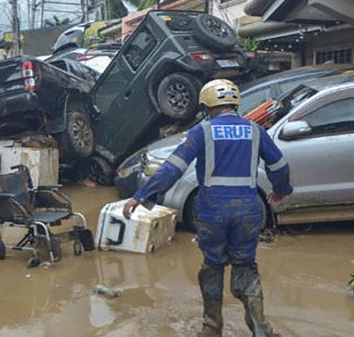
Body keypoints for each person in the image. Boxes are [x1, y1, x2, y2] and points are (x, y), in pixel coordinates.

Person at [123, 78, 292, 337]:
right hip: (248, 209)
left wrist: (142, 195)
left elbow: (172, 168)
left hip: (213, 211)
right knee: (246, 266)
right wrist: (281, 190)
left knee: (212, 266)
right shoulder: (255, 130)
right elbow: (279, 166)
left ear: (207, 105)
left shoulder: (202, 131)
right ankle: (261, 329)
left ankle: (212, 328)